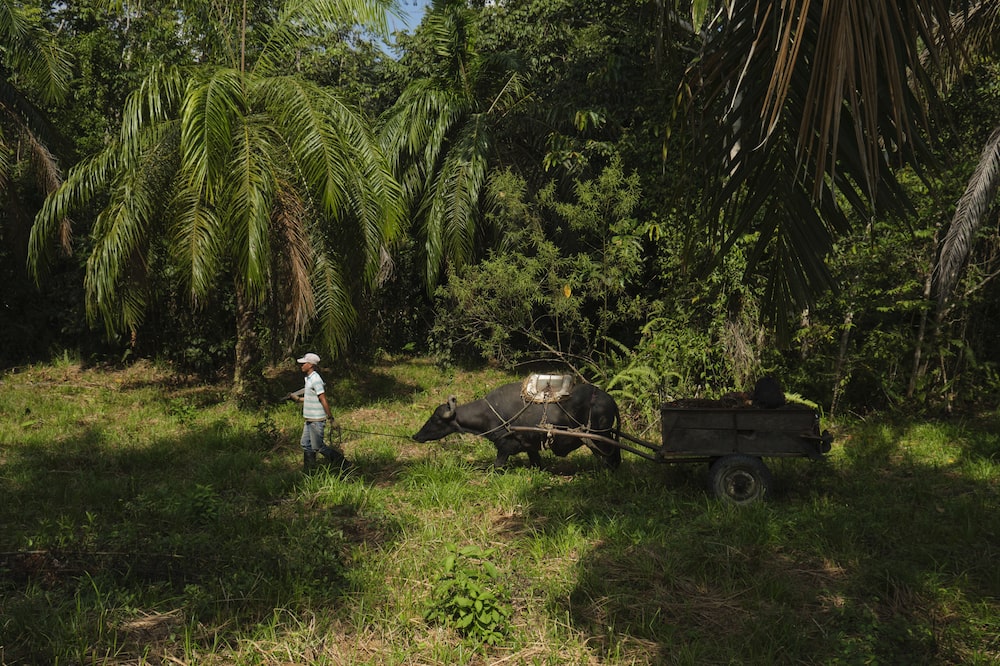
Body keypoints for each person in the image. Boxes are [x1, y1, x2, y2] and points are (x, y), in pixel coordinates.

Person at [291, 352, 350, 471]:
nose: (301, 365)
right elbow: (311, 397)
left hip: (316, 419)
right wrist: (297, 399)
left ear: (310, 365)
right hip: (309, 418)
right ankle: (310, 471)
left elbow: (323, 399)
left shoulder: (316, 379)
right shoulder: (308, 378)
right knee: (306, 444)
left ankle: (344, 464)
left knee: (318, 446)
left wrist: (331, 418)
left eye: (304, 363)